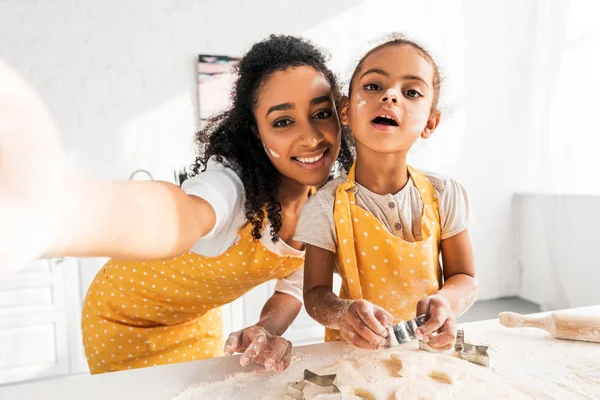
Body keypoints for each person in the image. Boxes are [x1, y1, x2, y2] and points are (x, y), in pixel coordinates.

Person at [0, 34, 353, 373]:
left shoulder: (323, 206)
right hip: (126, 314)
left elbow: (291, 289)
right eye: (283, 121)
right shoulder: (232, 184)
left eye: (321, 114)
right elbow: (179, 215)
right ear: (256, 133)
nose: (311, 137)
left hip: (194, 317)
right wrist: (57, 211)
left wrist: (266, 329)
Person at [296, 35, 478, 352]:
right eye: (373, 86)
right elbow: (315, 295)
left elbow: (464, 276)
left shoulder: (444, 193)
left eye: (411, 92)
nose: (391, 96)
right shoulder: (324, 204)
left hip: (427, 351)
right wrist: (341, 314)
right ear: (346, 111)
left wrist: (446, 302)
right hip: (353, 354)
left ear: (430, 123)